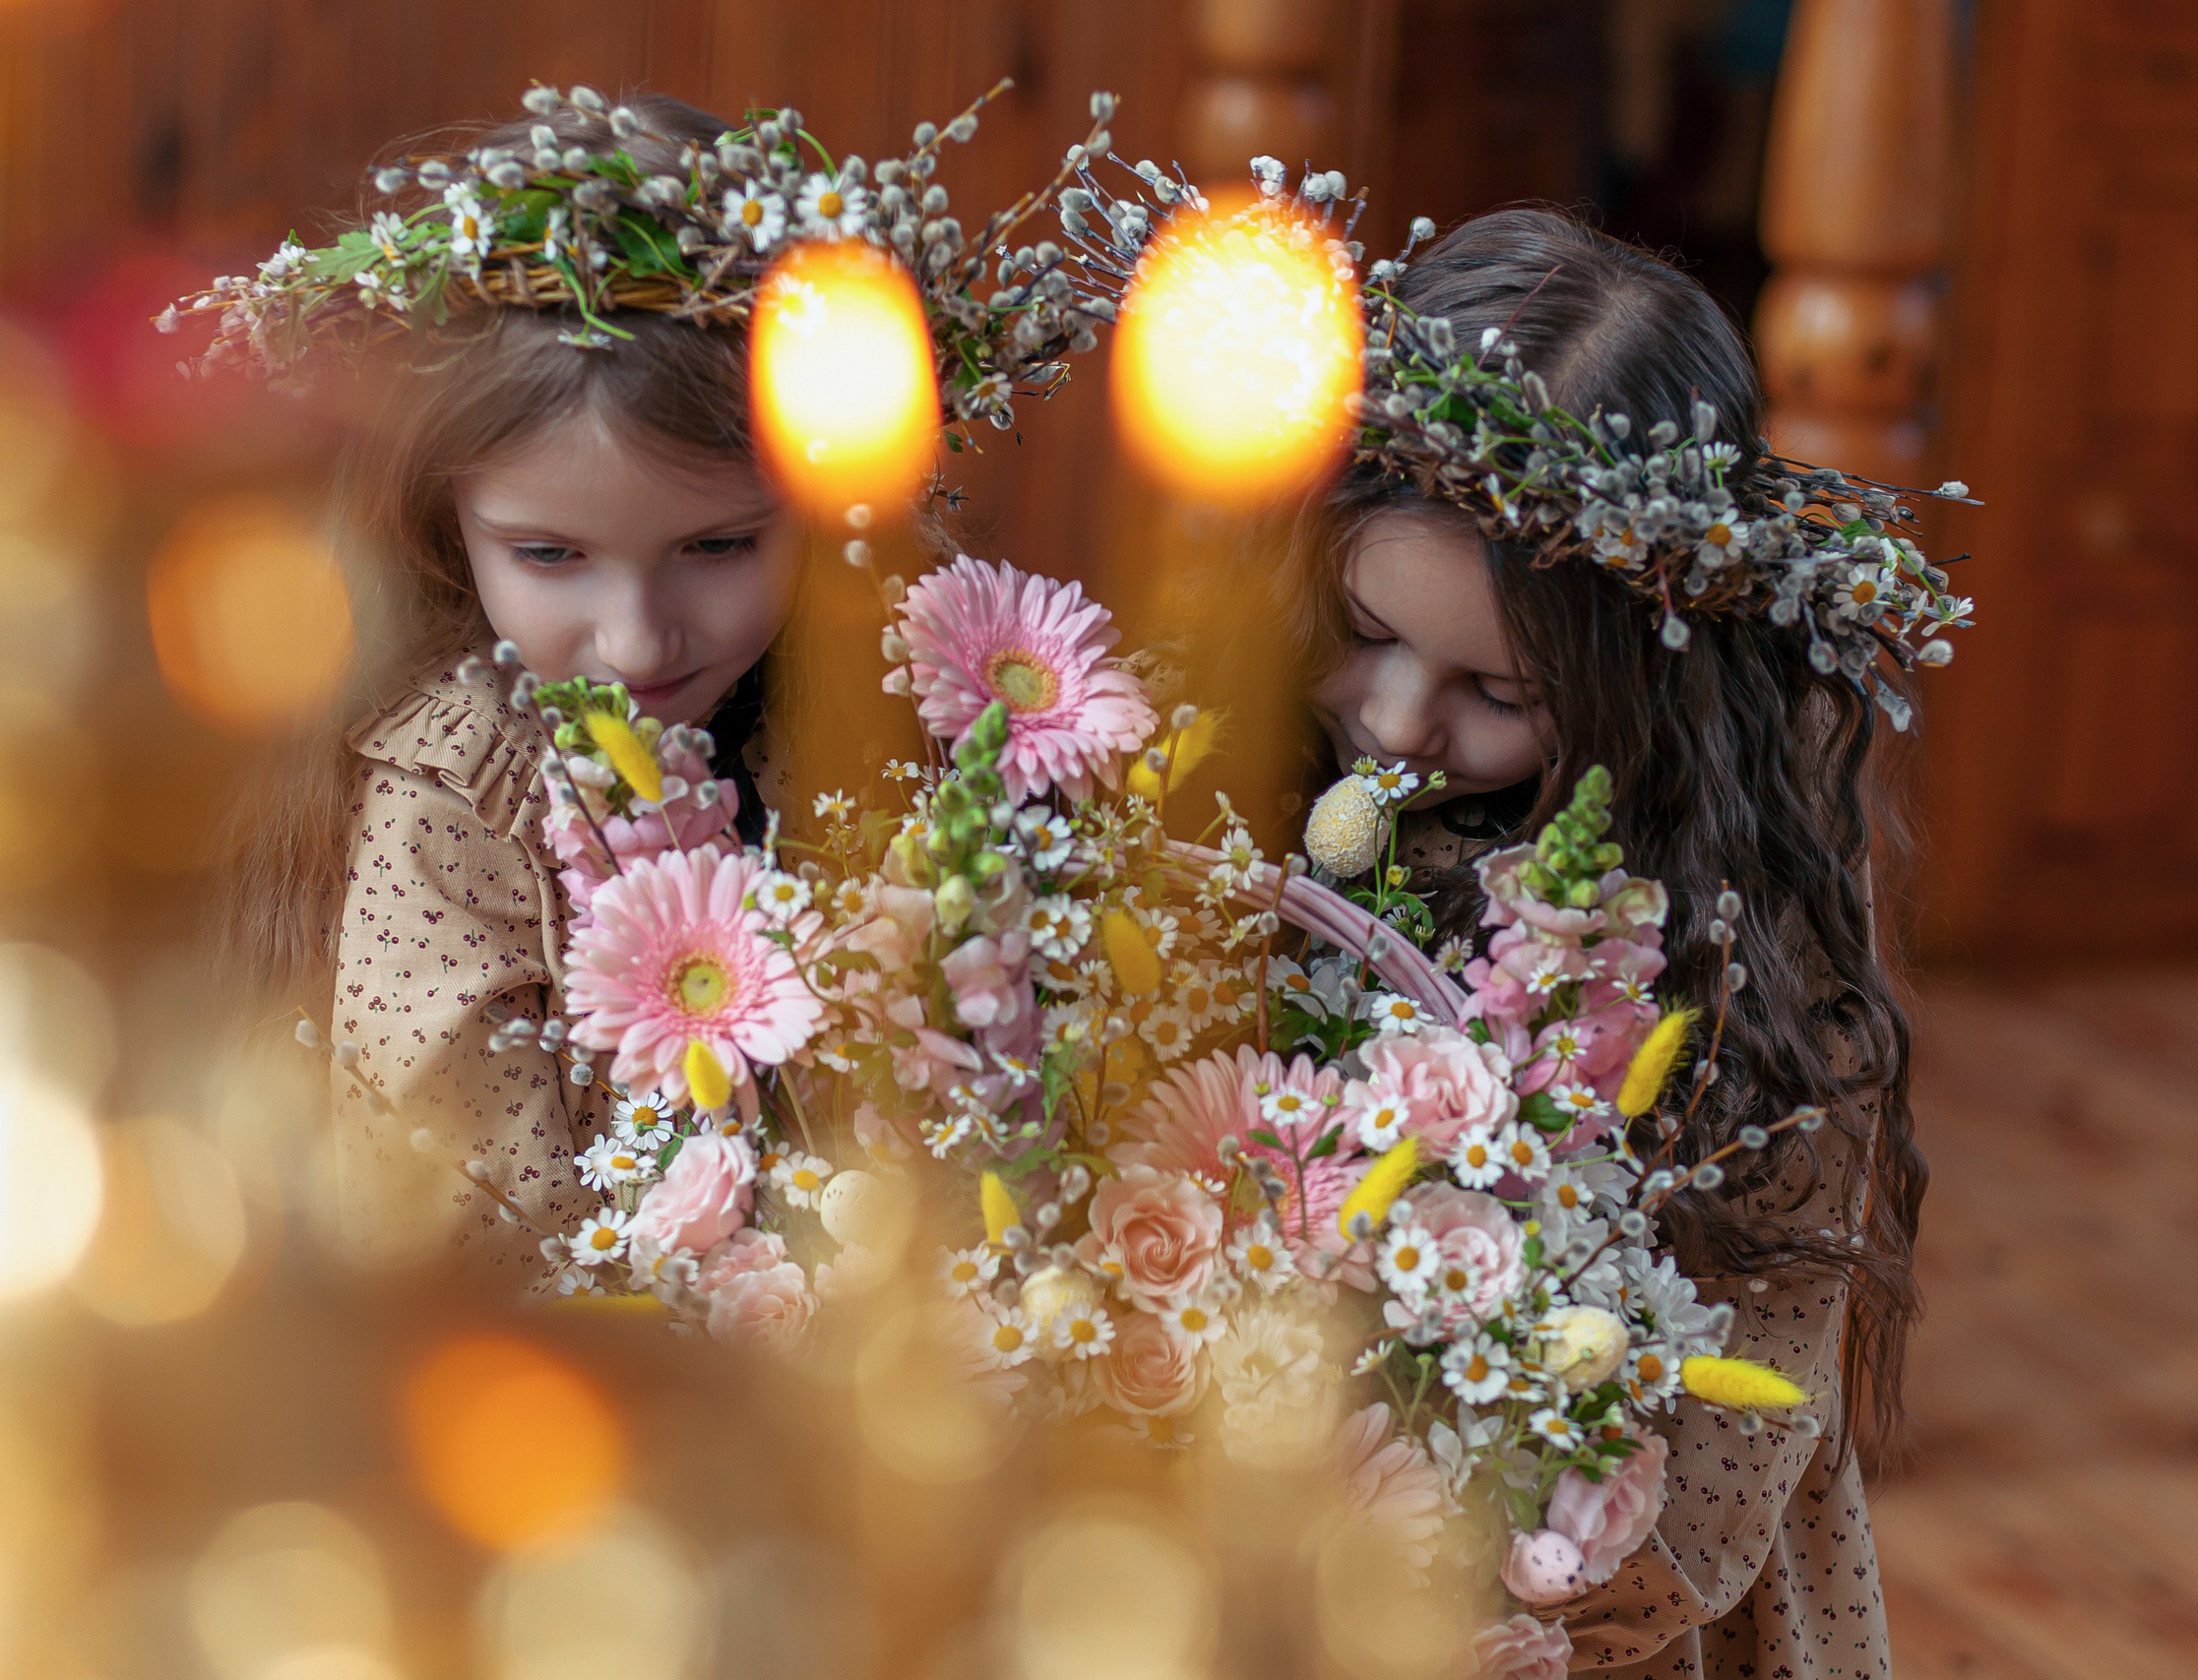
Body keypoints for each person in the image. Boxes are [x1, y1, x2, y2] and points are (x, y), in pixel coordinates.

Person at [197, 83, 1117, 1289]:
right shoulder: (453, 804)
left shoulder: (907, 711)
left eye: (718, 546)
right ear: (443, 516)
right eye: (549, 556)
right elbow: (456, 1250)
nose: (636, 643)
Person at [1268, 208, 1971, 1678]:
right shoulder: (1231, 769)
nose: (1394, 724)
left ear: (1650, 693)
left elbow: (1729, 1442)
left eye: (1498, 694)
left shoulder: (1744, 950)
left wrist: (1474, 1588)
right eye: (1361, 628)